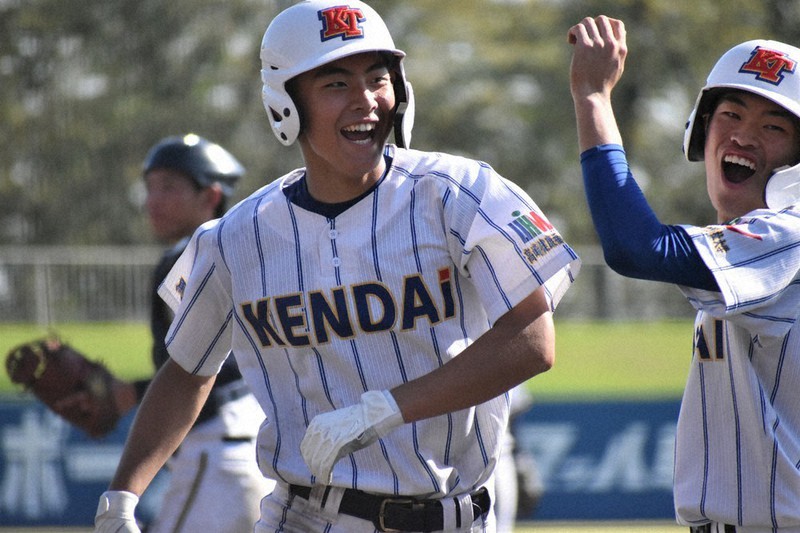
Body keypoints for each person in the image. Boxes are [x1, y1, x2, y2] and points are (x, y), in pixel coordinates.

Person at [94, 2, 580, 532]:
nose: (367, 101)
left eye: (378, 78)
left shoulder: (462, 195)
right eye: (336, 85)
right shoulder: (235, 237)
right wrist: (121, 495)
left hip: (455, 514)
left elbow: (532, 341)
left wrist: (383, 410)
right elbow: (188, 371)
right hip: (306, 515)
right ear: (287, 104)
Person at [568, 16, 800, 533]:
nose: (743, 134)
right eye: (731, 114)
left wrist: (593, 98)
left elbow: (638, 248)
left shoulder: (789, 236)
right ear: (702, 127)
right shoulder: (753, 245)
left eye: (774, 126)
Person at [108, 134, 275, 532]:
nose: (153, 199)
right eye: (149, 187)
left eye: (169, 186)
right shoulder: (244, 251)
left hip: (218, 454)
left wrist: (131, 392)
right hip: (252, 448)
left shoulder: (189, 256)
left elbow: (216, 368)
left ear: (211, 195)